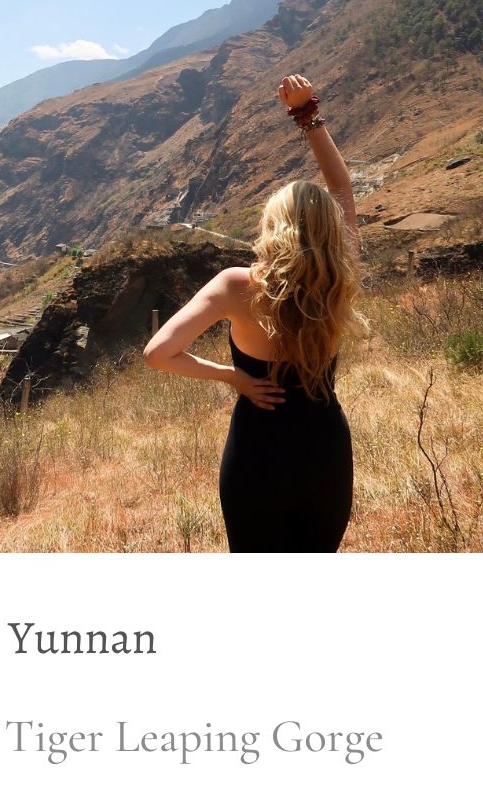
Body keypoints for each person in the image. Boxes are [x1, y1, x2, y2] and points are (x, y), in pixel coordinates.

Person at [142, 74, 365, 552]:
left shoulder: (237, 286)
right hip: (325, 450)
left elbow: (158, 353)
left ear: (272, 225)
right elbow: (342, 186)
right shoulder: (339, 278)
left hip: (258, 454)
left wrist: (234, 378)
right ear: (331, 229)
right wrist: (307, 116)